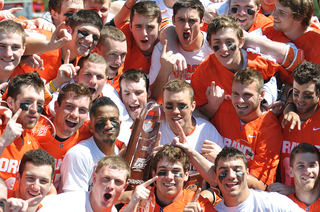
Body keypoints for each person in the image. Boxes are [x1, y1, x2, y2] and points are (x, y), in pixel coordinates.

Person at [190, 15, 291, 124]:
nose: (224, 49)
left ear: (241, 42)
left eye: (229, 42)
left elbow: (290, 81)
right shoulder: (203, 72)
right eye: (217, 42)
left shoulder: (262, 63)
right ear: (209, 44)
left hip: (260, 132)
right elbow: (194, 112)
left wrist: (285, 103)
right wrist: (212, 106)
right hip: (222, 136)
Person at [212, 67, 282, 190]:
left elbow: (260, 185)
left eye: (247, 95)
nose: (240, 101)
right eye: (236, 94)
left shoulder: (270, 129)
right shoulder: (223, 109)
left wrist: (223, 161)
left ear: (261, 95)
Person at [268, 61, 320, 196]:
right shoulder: (281, 117)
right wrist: (289, 105)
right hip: (283, 201)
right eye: (297, 93)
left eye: (308, 95)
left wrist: (293, 190)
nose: (300, 99)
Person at [31, 83, 92, 189]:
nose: (75, 114)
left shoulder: (88, 132)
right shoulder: (33, 127)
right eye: (69, 106)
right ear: (56, 106)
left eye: (82, 110)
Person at [149, 0, 213, 102]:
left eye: (192, 21)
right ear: (173, 20)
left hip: (205, 111)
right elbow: (154, 99)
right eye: (181, 20)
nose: (186, 26)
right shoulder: (162, 49)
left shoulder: (213, 46)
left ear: (202, 22)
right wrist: (164, 72)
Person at [121, 144, 215, 212]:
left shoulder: (198, 204)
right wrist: (132, 204)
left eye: (176, 171)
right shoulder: (140, 199)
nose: (169, 177)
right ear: (154, 174)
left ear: (186, 175)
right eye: (163, 171)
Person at [60, 97, 123, 192]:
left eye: (113, 120)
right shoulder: (79, 155)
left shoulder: (120, 153)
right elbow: (75, 201)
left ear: (120, 124)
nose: (109, 125)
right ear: (91, 127)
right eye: (101, 121)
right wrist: (122, 198)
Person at [212, 147, 304, 211]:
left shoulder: (273, 203)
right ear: (215, 177)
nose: (231, 176)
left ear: (247, 173)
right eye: (224, 172)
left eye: (237, 170)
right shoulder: (215, 211)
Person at [24, 10, 103, 84]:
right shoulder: (46, 38)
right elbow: (14, 36)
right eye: (84, 32)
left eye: (95, 37)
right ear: (69, 30)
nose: (90, 40)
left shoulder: (82, 65)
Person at [160, 79, 223, 163]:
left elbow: (221, 173)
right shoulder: (156, 131)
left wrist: (220, 161)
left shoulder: (208, 132)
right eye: (169, 105)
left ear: (193, 106)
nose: (175, 111)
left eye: (182, 105)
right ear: (163, 106)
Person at [0, 72, 44, 190]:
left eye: (39, 104)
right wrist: (3, 142)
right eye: (28, 101)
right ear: (10, 102)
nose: (34, 109)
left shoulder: (34, 146)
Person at [39, 156, 130, 212]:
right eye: (106, 178)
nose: (111, 186)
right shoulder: (64, 204)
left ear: (124, 187)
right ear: (94, 179)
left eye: (118, 182)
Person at [116, 1, 162, 74]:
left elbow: (168, 25)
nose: (144, 33)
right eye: (138, 27)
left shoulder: (168, 36)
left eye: (150, 27)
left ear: (160, 26)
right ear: (130, 26)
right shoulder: (121, 37)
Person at [273, 0, 320, 65]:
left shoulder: (317, 47)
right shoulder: (270, 28)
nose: (274, 15)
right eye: (275, 9)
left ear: (299, 18)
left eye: (282, 13)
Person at [285, 143, 320, 211]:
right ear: (291, 172)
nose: (307, 170)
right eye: (301, 166)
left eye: (312, 165)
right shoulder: (281, 206)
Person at [96, 25, 127, 92]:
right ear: (95, 51)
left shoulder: (125, 83)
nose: (118, 61)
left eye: (123, 54)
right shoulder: (78, 72)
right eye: (113, 54)